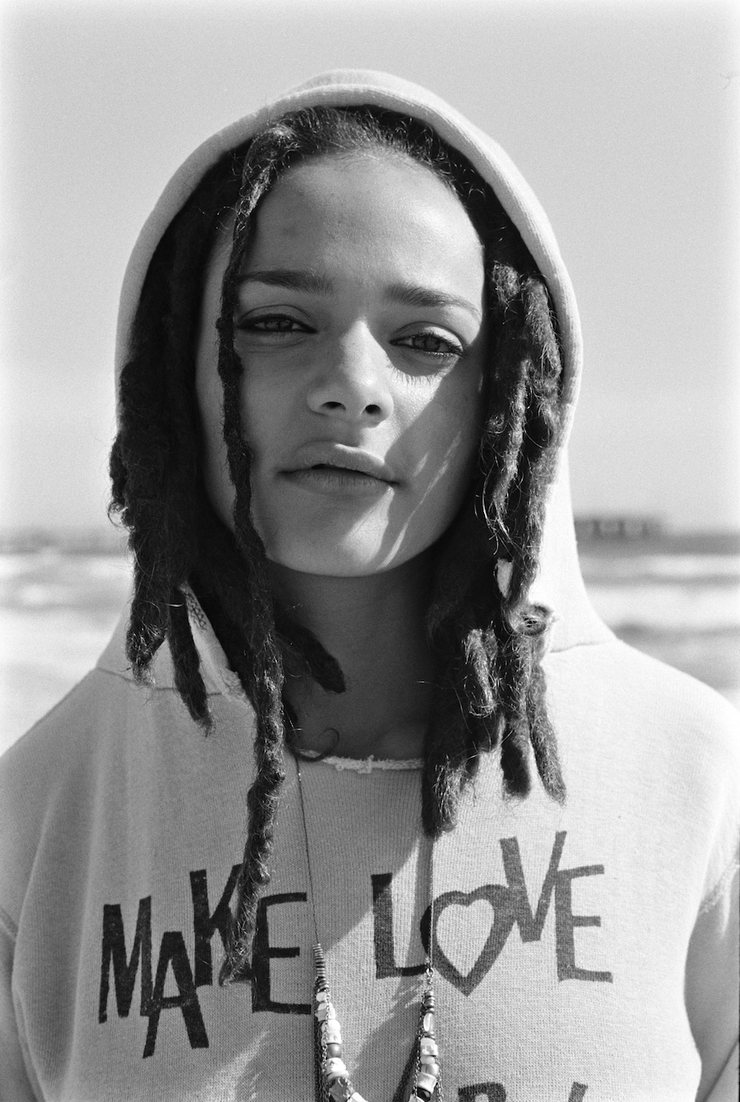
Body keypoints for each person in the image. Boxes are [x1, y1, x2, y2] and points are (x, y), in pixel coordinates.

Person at [0, 70, 737, 1102]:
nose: (352, 384)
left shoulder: (693, 781)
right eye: (276, 323)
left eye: (424, 342)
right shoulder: (41, 815)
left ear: (508, 392)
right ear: (171, 369)